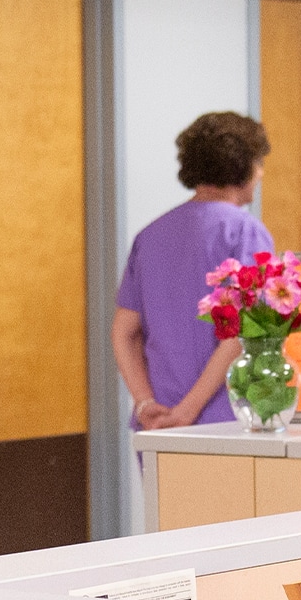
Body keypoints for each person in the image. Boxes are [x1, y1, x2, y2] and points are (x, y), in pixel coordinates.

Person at [113, 112, 274, 429]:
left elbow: (123, 333)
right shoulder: (245, 233)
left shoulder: (150, 236)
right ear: (241, 167)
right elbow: (244, 334)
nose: (261, 173)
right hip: (224, 421)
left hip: (158, 423)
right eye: (258, 163)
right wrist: (188, 411)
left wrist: (145, 404)